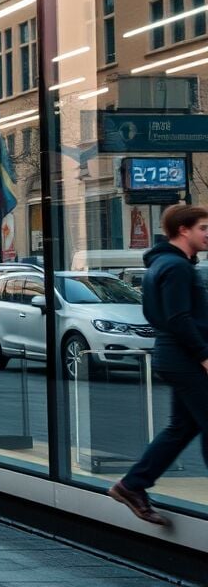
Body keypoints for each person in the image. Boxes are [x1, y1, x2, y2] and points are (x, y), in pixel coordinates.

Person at [109, 205, 208, 526]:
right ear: (184, 230)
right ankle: (132, 485)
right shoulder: (177, 267)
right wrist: (204, 355)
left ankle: (132, 485)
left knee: (183, 426)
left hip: (173, 355)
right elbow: (178, 318)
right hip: (185, 357)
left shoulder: (163, 264)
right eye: (204, 228)